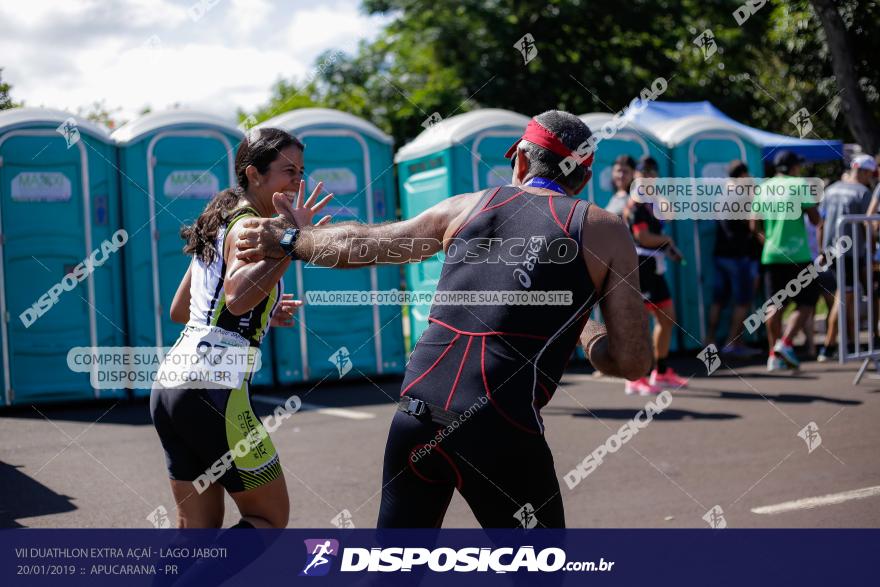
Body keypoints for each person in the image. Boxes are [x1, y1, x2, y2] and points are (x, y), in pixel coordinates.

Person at [235, 110, 653, 528]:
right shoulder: (603, 229)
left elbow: (365, 243)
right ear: (583, 178)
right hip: (500, 424)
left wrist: (289, 239)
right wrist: (581, 323)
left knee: (394, 572)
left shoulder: (465, 207)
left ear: (521, 162)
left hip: (416, 415)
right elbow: (632, 361)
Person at [149, 128, 332, 529]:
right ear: (253, 173)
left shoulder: (220, 221)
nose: (299, 180)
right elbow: (236, 297)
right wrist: (292, 239)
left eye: (301, 170)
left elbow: (183, 310)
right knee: (267, 518)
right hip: (213, 388)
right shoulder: (252, 227)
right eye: (288, 171)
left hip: (171, 384)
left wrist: (264, 310)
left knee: (196, 530)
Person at [620, 156, 689, 395]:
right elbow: (644, 238)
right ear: (636, 175)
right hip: (639, 266)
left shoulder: (651, 201)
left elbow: (667, 217)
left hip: (654, 266)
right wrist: (667, 241)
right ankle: (634, 376)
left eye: (652, 173)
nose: (649, 177)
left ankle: (660, 371)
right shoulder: (634, 204)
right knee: (638, 324)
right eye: (644, 172)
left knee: (666, 317)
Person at [750, 150, 822, 371]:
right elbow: (815, 218)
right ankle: (786, 342)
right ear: (792, 168)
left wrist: (768, 243)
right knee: (808, 301)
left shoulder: (763, 188)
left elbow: (753, 225)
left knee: (774, 304)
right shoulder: (799, 184)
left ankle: (774, 355)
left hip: (771, 255)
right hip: (798, 254)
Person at [816, 154, 877, 361]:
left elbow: (821, 224)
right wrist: (870, 252)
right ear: (865, 172)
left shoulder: (832, 189)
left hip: (832, 251)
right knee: (843, 299)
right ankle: (828, 345)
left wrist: (821, 250)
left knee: (844, 298)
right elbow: (866, 226)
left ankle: (849, 343)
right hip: (851, 254)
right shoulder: (863, 192)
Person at [705, 160, 760, 357]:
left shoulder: (723, 195)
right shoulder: (743, 196)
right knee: (742, 301)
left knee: (718, 300)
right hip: (738, 257)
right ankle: (732, 342)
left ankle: (709, 339)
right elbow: (754, 221)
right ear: (743, 175)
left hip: (720, 255)